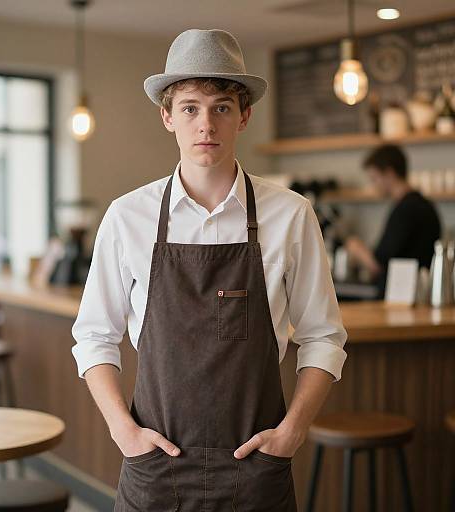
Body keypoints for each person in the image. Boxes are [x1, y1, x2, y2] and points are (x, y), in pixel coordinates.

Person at [71, 28, 347, 511]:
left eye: (221, 107)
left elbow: (323, 336)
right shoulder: (127, 216)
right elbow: (94, 336)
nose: (206, 125)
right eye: (190, 108)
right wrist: (124, 432)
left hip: (256, 470)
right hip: (154, 469)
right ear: (167, 117)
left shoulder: (292, 214)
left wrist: (292, 432)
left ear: (244, 116)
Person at [345, 144, 441, 299]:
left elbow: (377, 265)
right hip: (421, 295)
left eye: (374, 179)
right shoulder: (425, 205)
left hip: (401, 297)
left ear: (389, 174)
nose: (373, 185)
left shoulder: (405, 210)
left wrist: (356, 248)